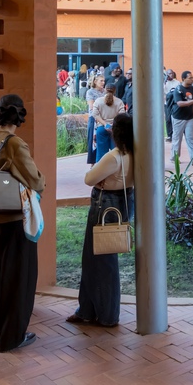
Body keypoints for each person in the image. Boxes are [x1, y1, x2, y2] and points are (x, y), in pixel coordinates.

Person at [0, 94, 45, 353]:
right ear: (21, 115)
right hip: (10, 219)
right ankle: (12, 337)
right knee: (16, 279)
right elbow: (35, 181)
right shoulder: (14, 144)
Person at [68, 112, 136, 328]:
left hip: (105, 204)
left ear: (115, 132)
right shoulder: (136, 153)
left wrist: (100, 175)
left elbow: (89, 179)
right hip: (124, 202)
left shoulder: (114, 156)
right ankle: (88, 310)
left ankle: (106, 314)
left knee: (98, 260)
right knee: (101, 259)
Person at [170, 71, 193, 164]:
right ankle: (174, 158)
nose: (192, 79)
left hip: (190, 117)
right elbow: (180, 103)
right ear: (184, 79)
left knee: (190, 138)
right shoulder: (178, 89)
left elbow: (191, 103)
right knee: (177, 138)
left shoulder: (192, 88)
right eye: (190, 78)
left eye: (192, 78)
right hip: (178, 117)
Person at [89, 89, 125, 164]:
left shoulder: (98, 101)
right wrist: (113, 124)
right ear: (115, 91)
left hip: (101, 128)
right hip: (115, 130)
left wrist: (105, 124)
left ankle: (100, 169)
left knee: (101, 154)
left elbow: (94, 114)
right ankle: (115, 169)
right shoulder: (119, 102)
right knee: (116, 152)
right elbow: (122, 115)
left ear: (105, 90)